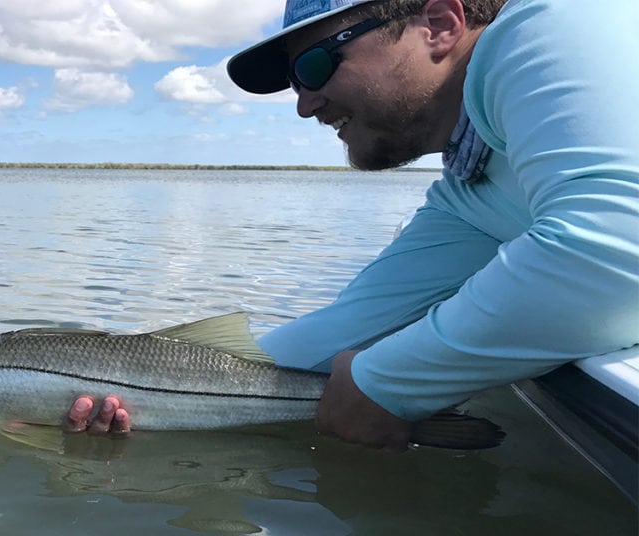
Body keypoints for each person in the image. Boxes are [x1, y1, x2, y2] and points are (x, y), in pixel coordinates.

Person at [63, 0, 639, 449]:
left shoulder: (559, 23)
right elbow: (344, 329)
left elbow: (615, 254)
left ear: (439, 23)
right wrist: (137, 393)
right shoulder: (474, 182)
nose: (305, 105)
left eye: (316, 66)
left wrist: (388, 384)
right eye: (296, 82)